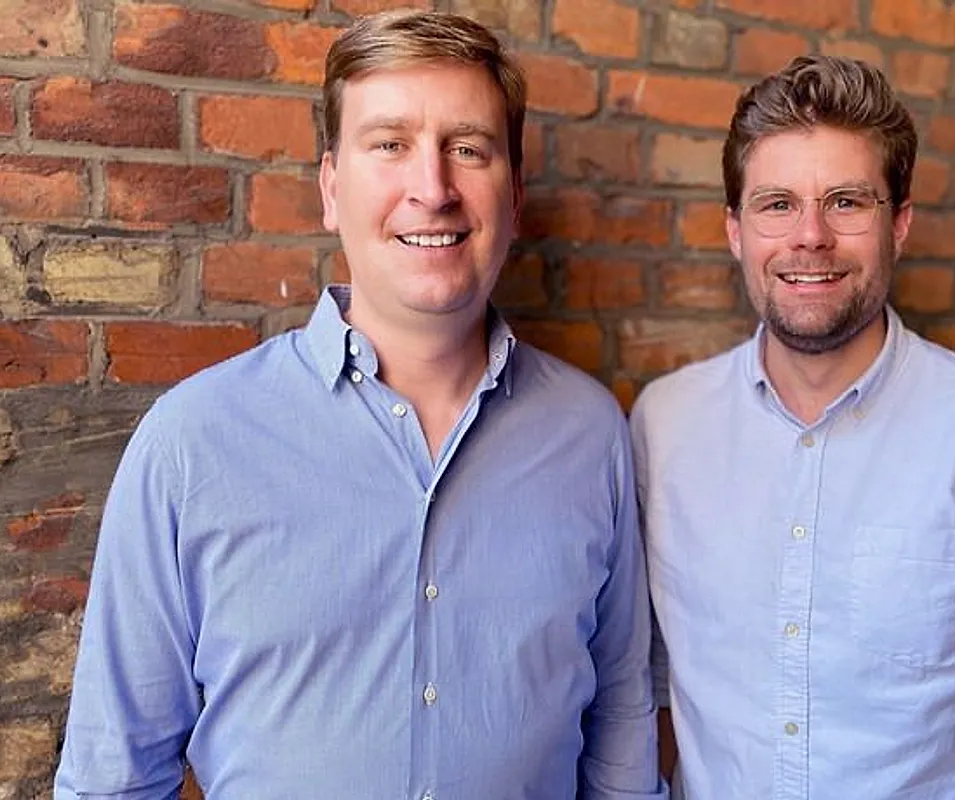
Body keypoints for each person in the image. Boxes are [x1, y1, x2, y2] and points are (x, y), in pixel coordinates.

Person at [55, 11, 664, 799]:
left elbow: (618, 729)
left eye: (468, 149)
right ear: (332, 189)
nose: (433, 189)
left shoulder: (590, 433)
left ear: (514, 197)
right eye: (389, 145)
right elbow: (113, 778)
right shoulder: (193, 443)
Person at [631, 55, 955, 799]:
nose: (809, 236)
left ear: (899, 224)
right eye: (777, 204)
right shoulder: (665, 423)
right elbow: (653, 687)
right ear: (735, 231)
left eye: (846, 202)